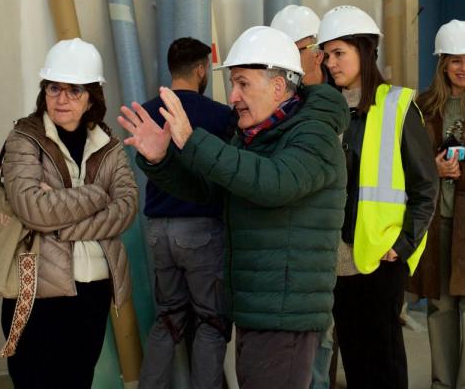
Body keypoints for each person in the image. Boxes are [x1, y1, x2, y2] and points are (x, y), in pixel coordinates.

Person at [119, 26, 348, 389]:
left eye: (242, 84)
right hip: (257, 308)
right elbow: (209, 191)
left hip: (284, 316)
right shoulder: (256, 136)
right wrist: (161, 160)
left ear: (277, 87)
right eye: (232, 84)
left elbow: (274, 183)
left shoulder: (313, 135)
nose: (233, 97)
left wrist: (193, 141)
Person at [1, 37, 137, 388]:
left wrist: (61, 224)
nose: (62, 99)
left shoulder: (107, 145)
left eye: (74, 91)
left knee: (77, 382)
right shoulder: (23, 139)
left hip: (92, 292)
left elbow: (126, 208)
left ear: (91, 96)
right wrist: (96, 195)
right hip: (35, 294)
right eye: (54, 88)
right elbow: (33, 208)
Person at [318, 5, 437, 389]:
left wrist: (403, 244)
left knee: (382, 356)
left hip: (381, 258)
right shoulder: (324, 109)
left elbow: (425, 185)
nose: (331, 63)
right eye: (327, 54)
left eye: (340, 53)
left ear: (365, 52)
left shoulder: (397, 106)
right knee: (353, 354)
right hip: (336, 256)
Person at [408, 20, 465, 389]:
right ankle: (441, 382)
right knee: (440, 304)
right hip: (435, 217)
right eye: (455, 61)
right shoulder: (422, 105)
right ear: (442, 64)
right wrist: (432, 167)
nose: (464, 68)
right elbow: (409, 159)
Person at [138, 38, 236, 389]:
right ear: (200, 69)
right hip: (200, 231)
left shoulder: (149, 111)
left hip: (156, 230)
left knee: (168, 319)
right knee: (211, 322)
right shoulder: (221, 116)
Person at [270, 4, 336, 389]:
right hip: (292, 250)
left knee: (320, 342)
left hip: (322, 243)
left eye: (302, 51)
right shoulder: (285, 102)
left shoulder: (326, 105)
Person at [271, 4, 328, 87]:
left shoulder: (340, 86)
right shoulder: (277, 93)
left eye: (296, 52)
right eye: (282, 53)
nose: (287, 60)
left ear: (318, 56)